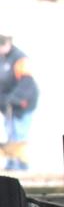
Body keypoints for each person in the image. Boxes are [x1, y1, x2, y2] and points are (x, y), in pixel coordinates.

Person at [0, 35, 38, 172]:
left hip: (23, 103)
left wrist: (13, 98)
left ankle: (21, 165)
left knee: (19, 134)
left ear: (8, 44)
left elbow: (26, 83)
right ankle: (11, 163)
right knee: (10, 133)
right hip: (7, 105)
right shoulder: (2, 59)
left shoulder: (20, 59)